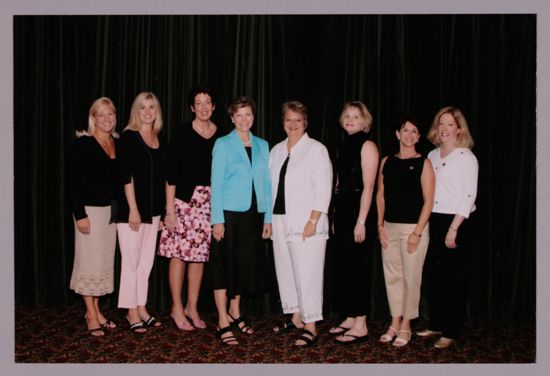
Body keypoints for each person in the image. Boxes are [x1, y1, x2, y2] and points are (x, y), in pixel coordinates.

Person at [208, 96, 272, 346]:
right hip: (229, 214)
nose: (244, 119)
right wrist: (217, 220)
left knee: (243, 267)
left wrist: (267, 218)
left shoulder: (262, 145)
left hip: (254, 214)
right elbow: (217, 183)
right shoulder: (223, 144)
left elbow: (266, 184)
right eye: (239, 115)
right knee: (223, 266)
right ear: (232, 118)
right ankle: (222, 319)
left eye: (249, 115)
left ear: (253, 117)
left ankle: (235, 312)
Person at [269, 101, 333, 347]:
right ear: (283, 122)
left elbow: (324, 187)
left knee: (308, 273)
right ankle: (295, 316)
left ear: (305, 123)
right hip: (281, 219)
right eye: (288, 120)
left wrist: (314, 219)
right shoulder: (276, 151)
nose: (293, 124)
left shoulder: (316, 149)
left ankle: (311, 325)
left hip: (307, 221)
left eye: (297, 120)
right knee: (286, 270)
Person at [158, 85, 220, 331]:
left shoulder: (221, 135)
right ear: (192, 108)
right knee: (179, 255)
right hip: (184, 203)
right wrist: (170, 210)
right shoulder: (182, 134)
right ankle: (176, 307)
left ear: (213, 107)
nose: (204, 107)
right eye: (199, 102)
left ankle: (191, 307)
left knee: (199, 258)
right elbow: (170, 174)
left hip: (209, 203)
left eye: (208, 102)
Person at [417, 106, 478, 349]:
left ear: (459, 129)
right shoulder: (431, 155)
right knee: (435, 276)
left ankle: (451, 331)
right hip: (435, 219)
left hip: (458, 222)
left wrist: (454, 228)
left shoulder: (467, 157)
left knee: (454, 279)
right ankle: (436, 324)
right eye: (441, 124)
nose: (444, 129)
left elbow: (469, 194)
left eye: (450, 124)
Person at [376, 117, 435, 347]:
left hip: (413, 229)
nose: (409, 135)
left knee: (411, 278)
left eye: (414, 131)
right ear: (397, 134)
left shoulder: (424, 163)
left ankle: (407, 325)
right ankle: (394, 321)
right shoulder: (386, 162)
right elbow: (380, 195)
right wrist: (380, 225)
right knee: (393, 277)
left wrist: (417, 233)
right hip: (389, 227)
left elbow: (428, 201)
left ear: (419, 137)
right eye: (405, 130)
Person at [328, 101, 379, 344]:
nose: (350, 120)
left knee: (358, 267)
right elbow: (338, 183)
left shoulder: (367, 145)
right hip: (343, 209)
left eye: (356, 116)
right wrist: (335, 216)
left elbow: (369, 187)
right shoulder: (341, 145)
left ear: (364, 121)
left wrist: (361, 221)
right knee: (344, 265)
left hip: (361, 209)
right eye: (347, 115)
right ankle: (349, 316)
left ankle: (361, 324)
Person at [116, 91, 166, 333]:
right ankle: (130, 311)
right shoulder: (128, 137)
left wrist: (165, 212)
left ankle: (141, 306)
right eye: (143, 107)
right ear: (136, 111)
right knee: (131, 261)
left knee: (146, 262)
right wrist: (133, 209)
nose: (148, 112)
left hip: (154, 212)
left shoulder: (158, 139)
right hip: (133, 213)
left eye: (152, 107)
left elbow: (164, 178)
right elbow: (127, 176)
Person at [70, 97, 119, 336]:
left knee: (101, 263)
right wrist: (80, 215)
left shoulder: (116, 142)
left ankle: (98, 310)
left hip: (110, 213)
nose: (107, 119)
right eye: (102, 115)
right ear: (93, 118)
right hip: (89, 212)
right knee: (88, 262)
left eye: (110, 114)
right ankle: (90, 313)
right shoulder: (84, 144)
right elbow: (73, 183)